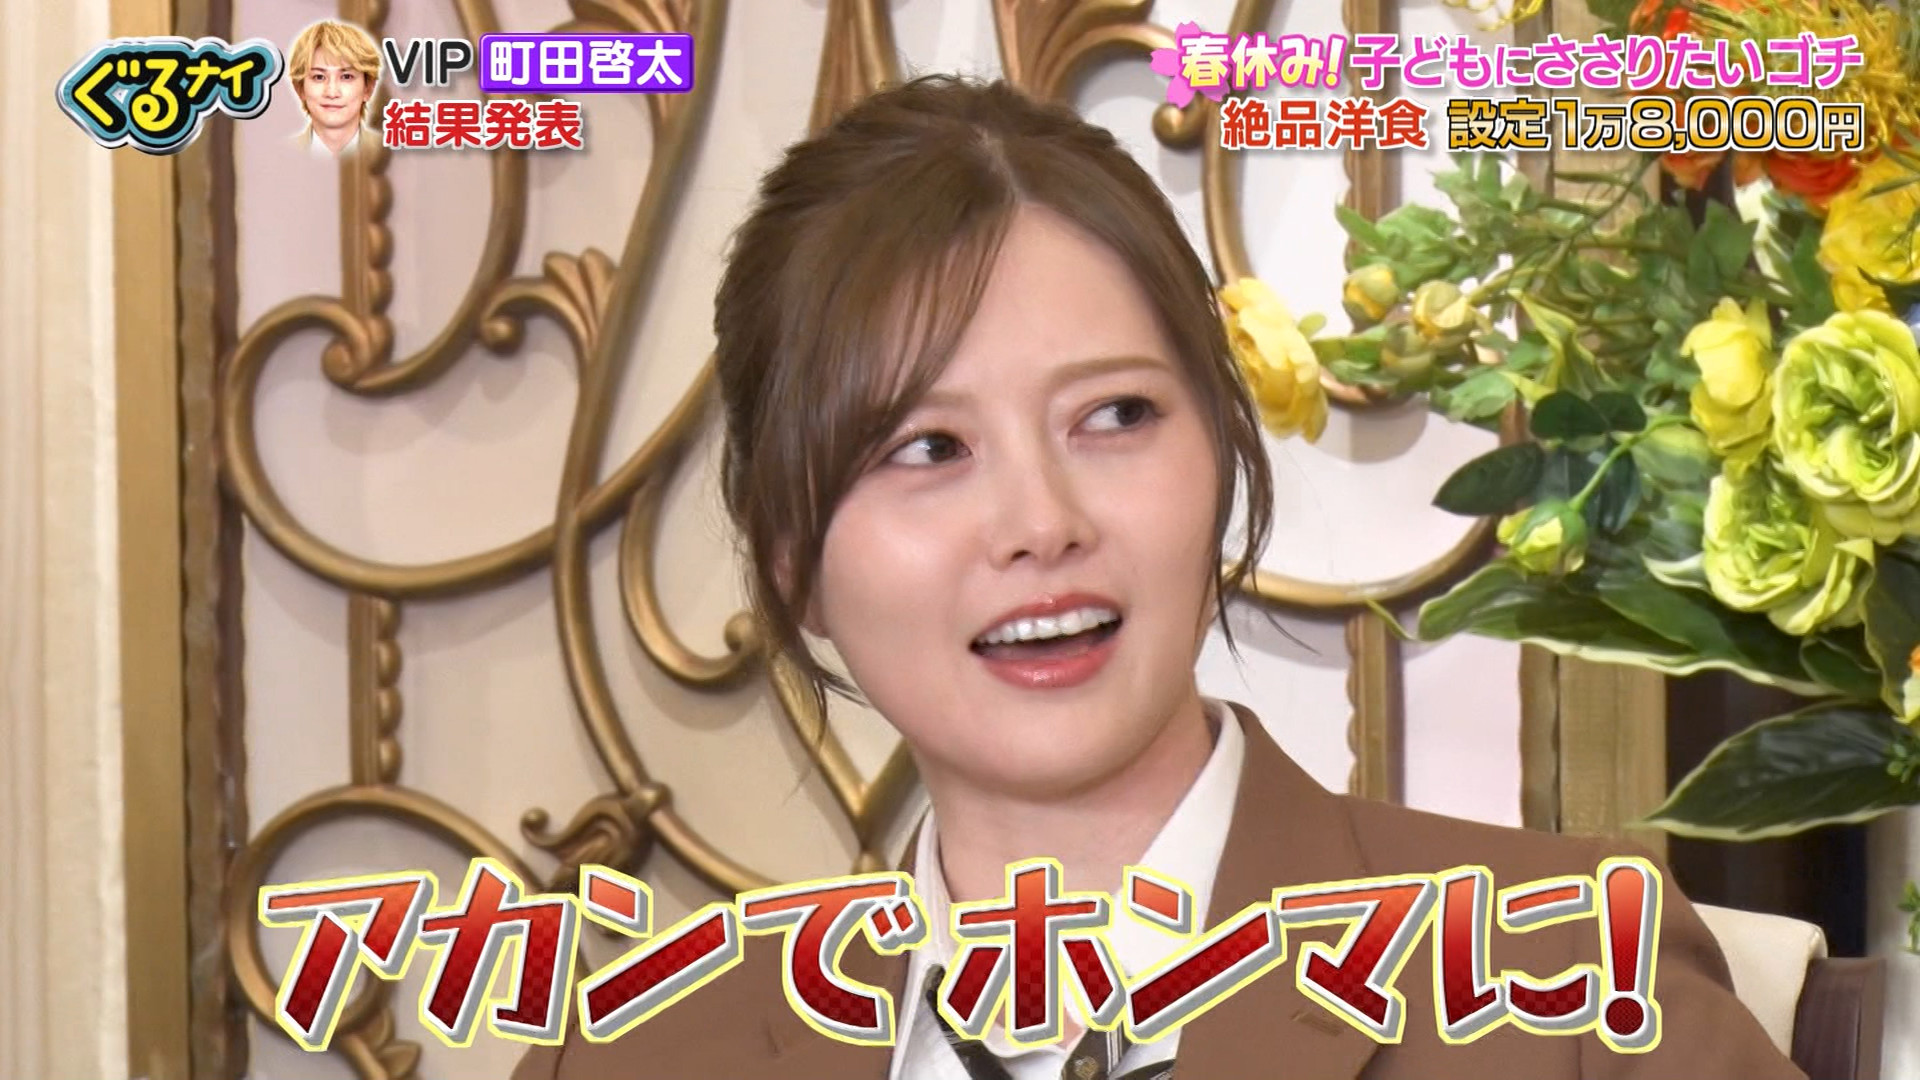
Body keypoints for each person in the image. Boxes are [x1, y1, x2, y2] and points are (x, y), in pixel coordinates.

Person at [514, 75, 1806, 1080]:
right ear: (794, 561)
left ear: (1222, 451)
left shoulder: (1567, 976)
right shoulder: (633, 1051)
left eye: (1116, 417)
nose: (1041, 524)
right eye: (928, 448)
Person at [287, 19, 380, 158]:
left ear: (368, 88)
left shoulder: (393, 154)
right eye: (319, 77)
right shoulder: (276, 154)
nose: (331, 92)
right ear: (300, 88)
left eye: (346, 77)